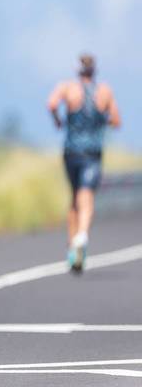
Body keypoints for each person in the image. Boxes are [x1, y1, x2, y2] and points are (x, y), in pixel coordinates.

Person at [47, 54, 120, 272]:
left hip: (71, 152)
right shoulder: (104, 91)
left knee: (74, 197)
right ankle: (81, 236)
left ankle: (72, 249)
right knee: (86, 197)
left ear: (78, 70)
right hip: (92, 153)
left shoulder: (68, 88)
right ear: (94, 70)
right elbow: (116, 120)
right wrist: (99, 120)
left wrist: (59, 120)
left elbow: (51, 103)